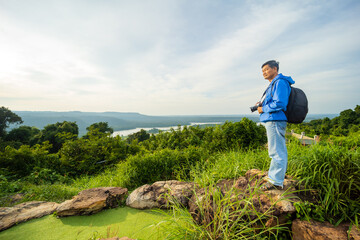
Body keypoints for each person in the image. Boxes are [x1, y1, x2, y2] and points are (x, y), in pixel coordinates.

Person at [257, 60, 295, 190]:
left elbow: (280, 103)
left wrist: (263, 109)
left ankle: (276, 181)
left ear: (275, 69)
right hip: (273, 120)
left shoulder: (280, 82)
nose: (264, 73)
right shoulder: (274, 84)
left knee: (277, 151)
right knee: (275, 150)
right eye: (262, 71)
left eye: (266, 69)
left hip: (275, 120)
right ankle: (274, 176)